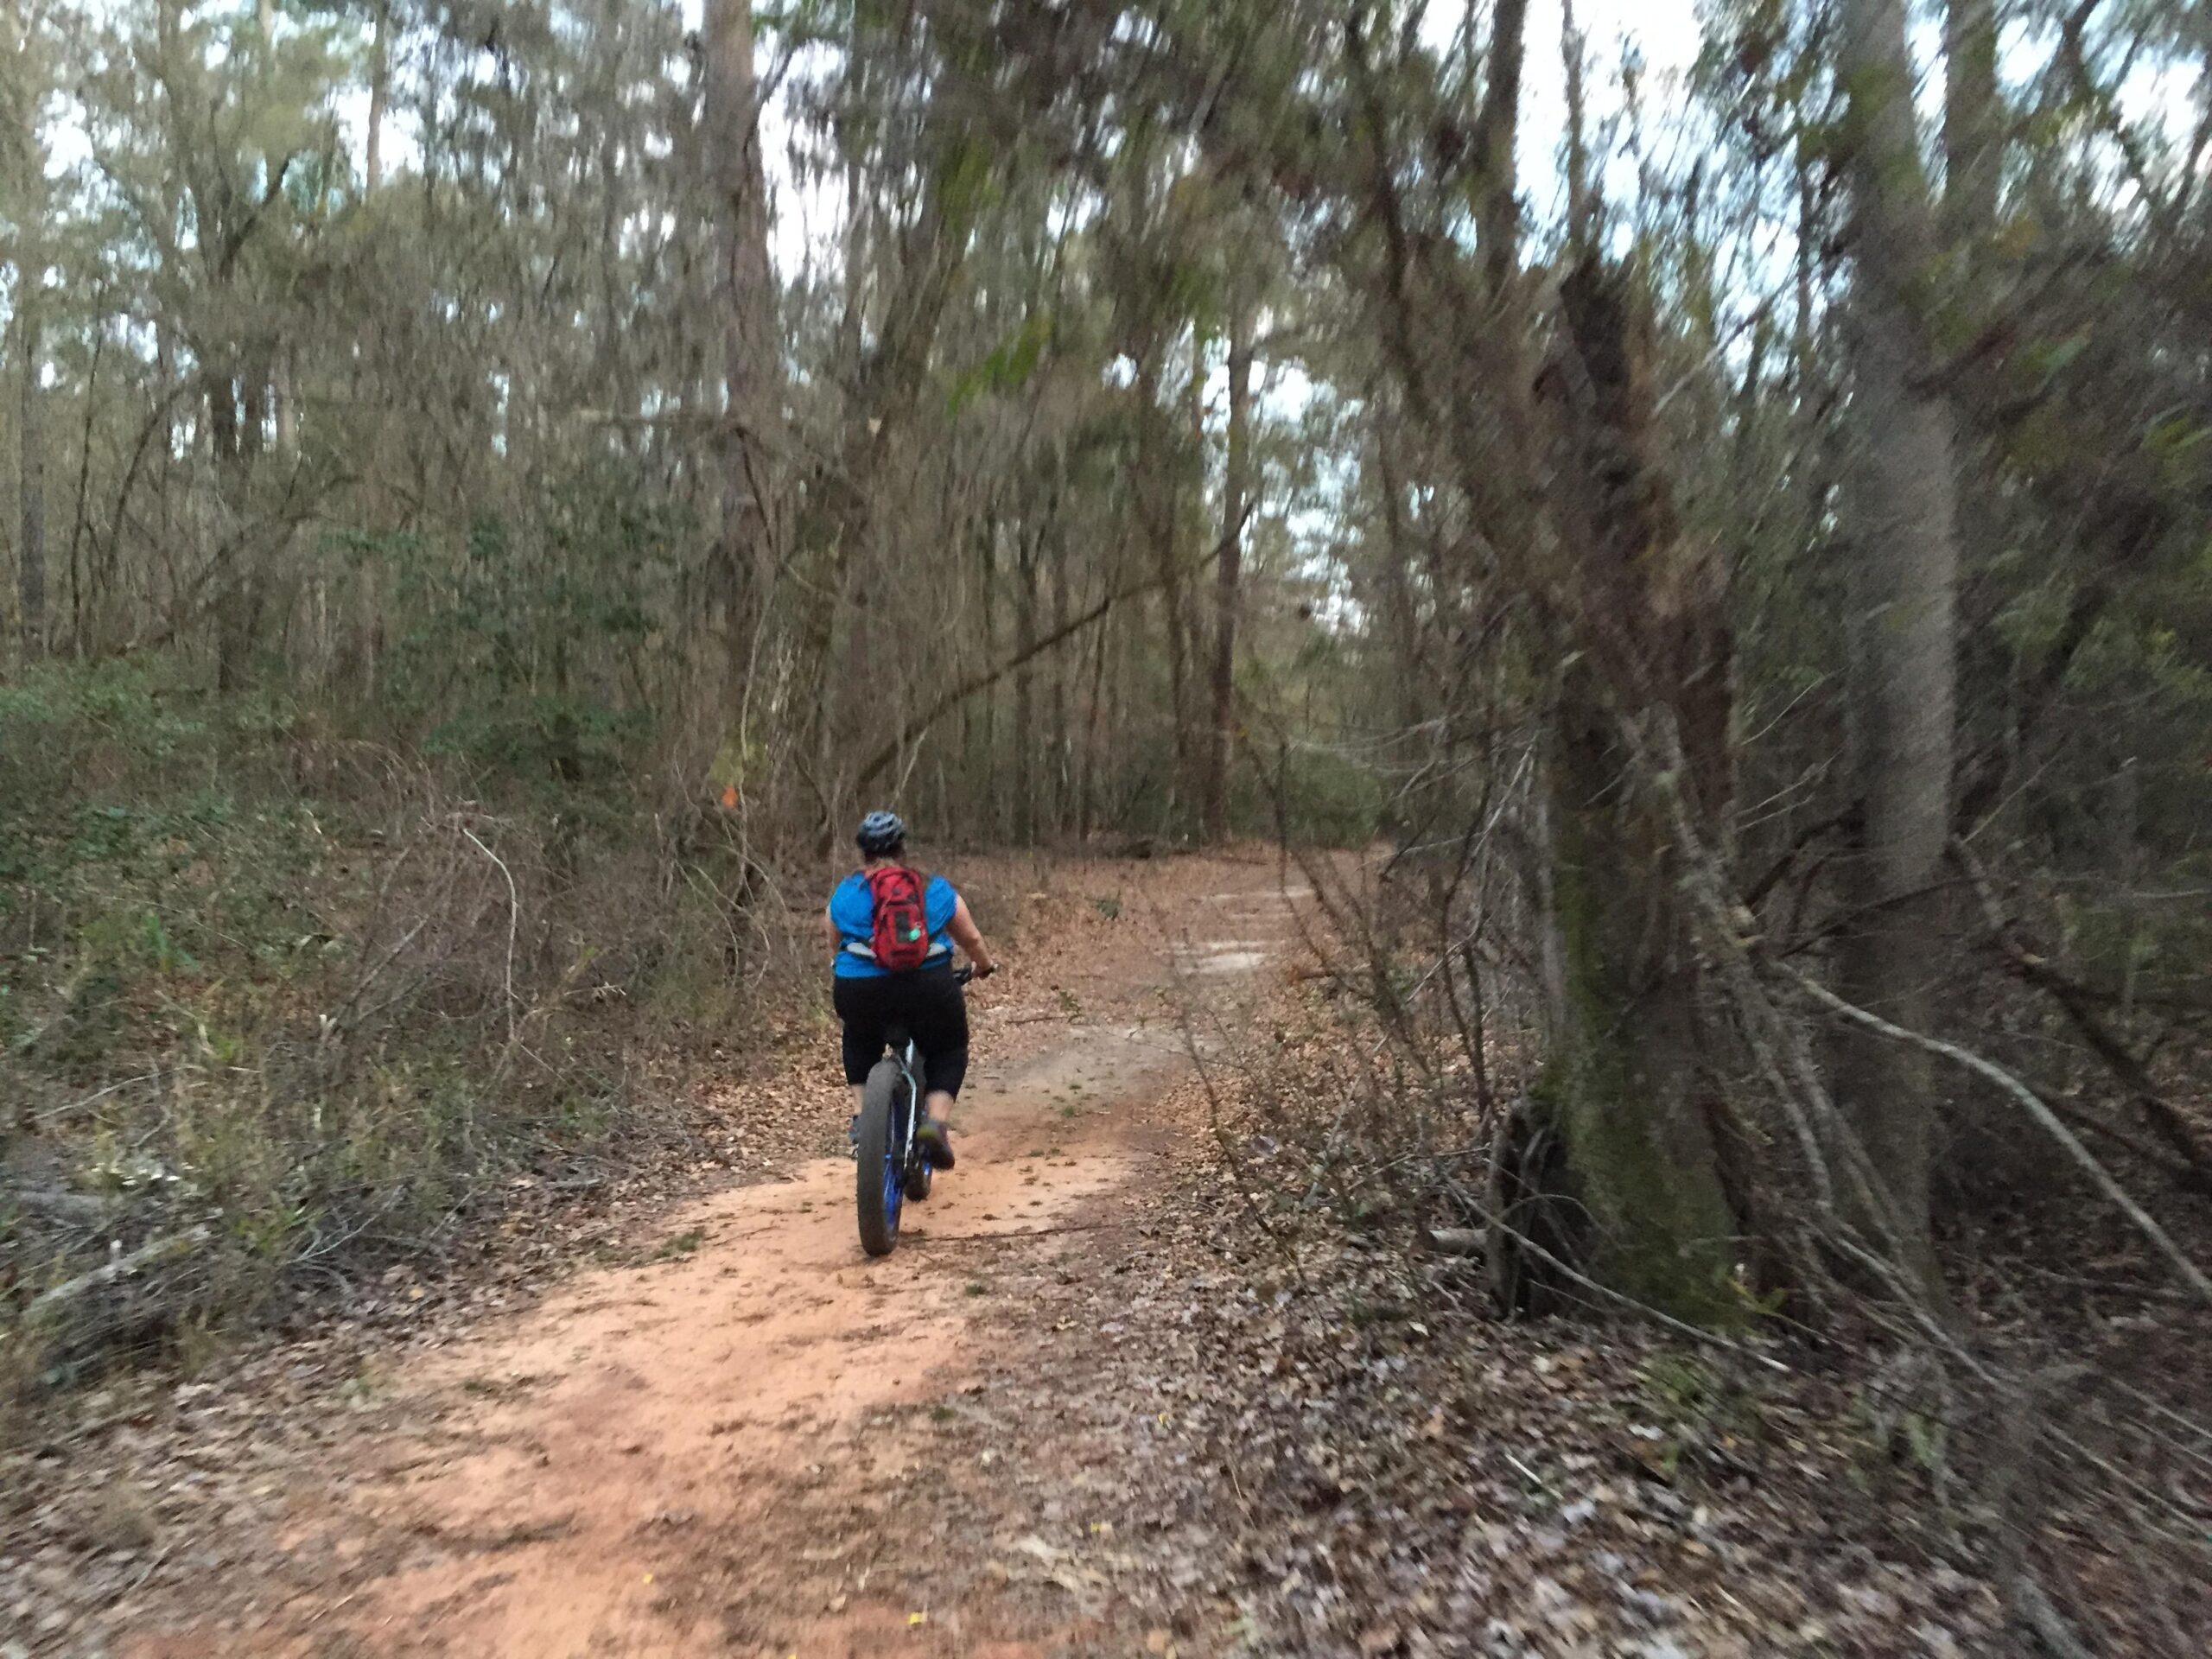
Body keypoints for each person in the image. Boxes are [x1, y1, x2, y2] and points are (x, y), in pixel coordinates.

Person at [825, 811, 997, 1170]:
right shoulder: (932, 888)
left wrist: (841, 969)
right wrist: (983, 965)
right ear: (903, 848)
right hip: (928, 987)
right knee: (949, 1049)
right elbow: (971, 937)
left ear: (863, 853)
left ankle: (861, 1116)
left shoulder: (847, 892)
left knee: (858, 1037)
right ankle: (934, 1123)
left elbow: (833, 939)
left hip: (860, 989)